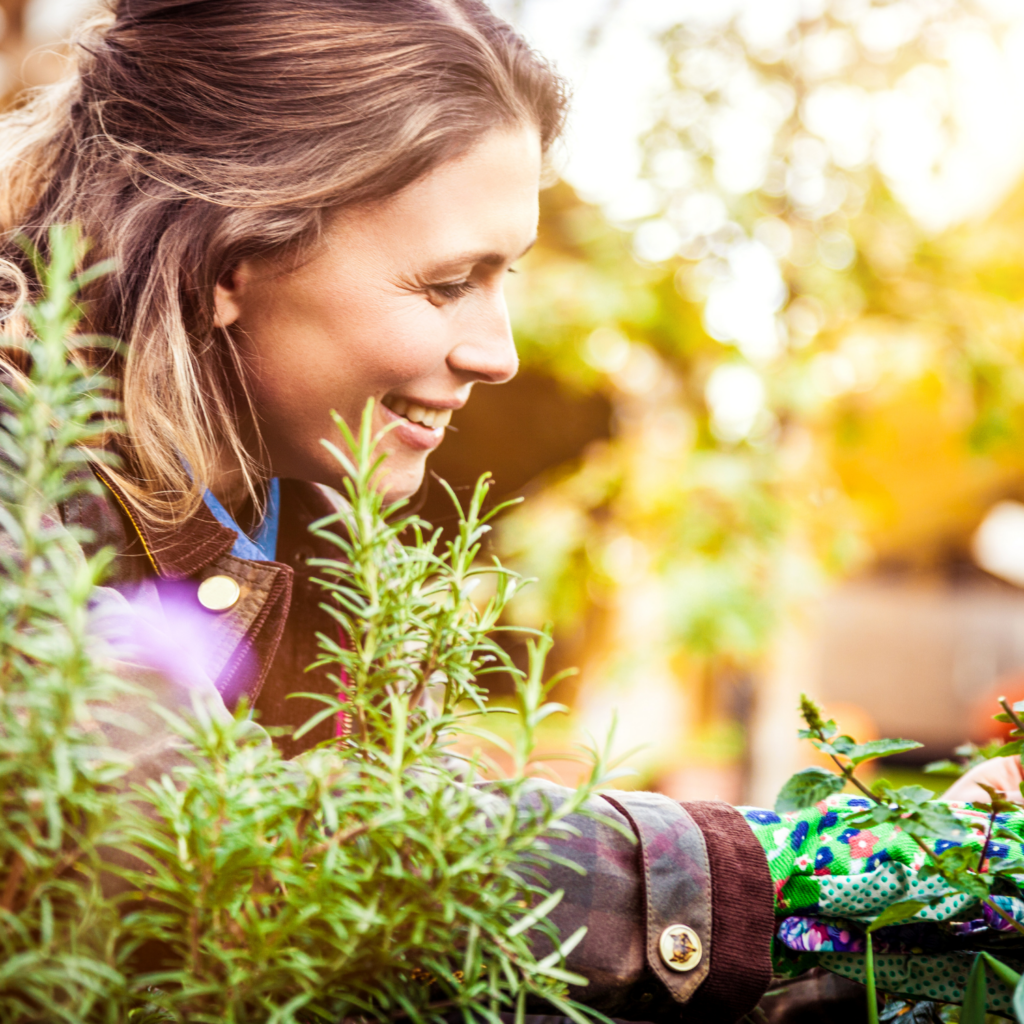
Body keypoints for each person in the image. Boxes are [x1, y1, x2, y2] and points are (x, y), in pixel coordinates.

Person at [0, 2, 1019, 1021]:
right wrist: (799, 871)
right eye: (448, 284)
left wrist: (901, 894)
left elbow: (420, 893)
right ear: (228, 261)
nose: (500, 351)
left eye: (505, 278)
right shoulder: (23, 481)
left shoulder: (279, 515)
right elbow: (241, 851)